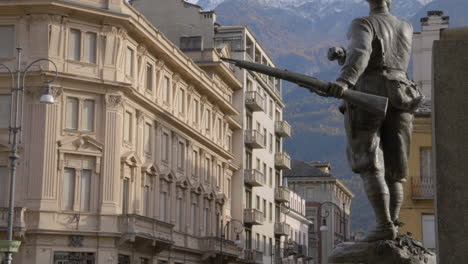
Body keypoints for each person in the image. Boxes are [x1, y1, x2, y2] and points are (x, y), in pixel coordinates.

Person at [327, 0, 423, 242]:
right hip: (402, 94)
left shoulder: (362, 23)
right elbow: (386, 56)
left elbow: (363, 52)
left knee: (368, 161)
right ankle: (393, 225)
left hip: (368, 93)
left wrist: (345, 81)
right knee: (396, 168)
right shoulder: (406, 26)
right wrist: (343, 55)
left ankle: (383, 225)